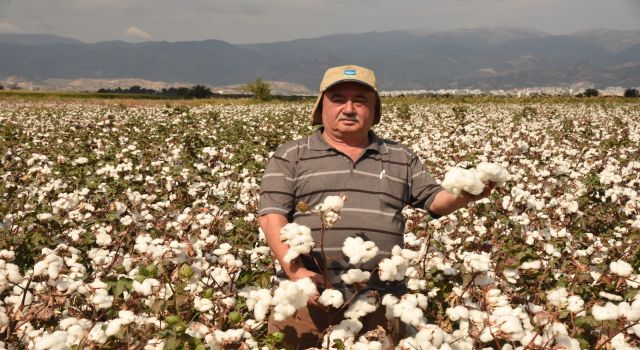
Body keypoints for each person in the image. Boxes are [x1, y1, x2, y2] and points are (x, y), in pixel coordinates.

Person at [258, 65, 494, 348]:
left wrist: (469, 192)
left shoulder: (400, 156)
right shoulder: (291, 155)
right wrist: (297, 273)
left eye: (360, 100)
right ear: (321, 107)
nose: (349, 108)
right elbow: (272, 216)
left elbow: (436, 201)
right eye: (338, 99)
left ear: (374, 109)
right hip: (304, 300)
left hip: (380, 303)